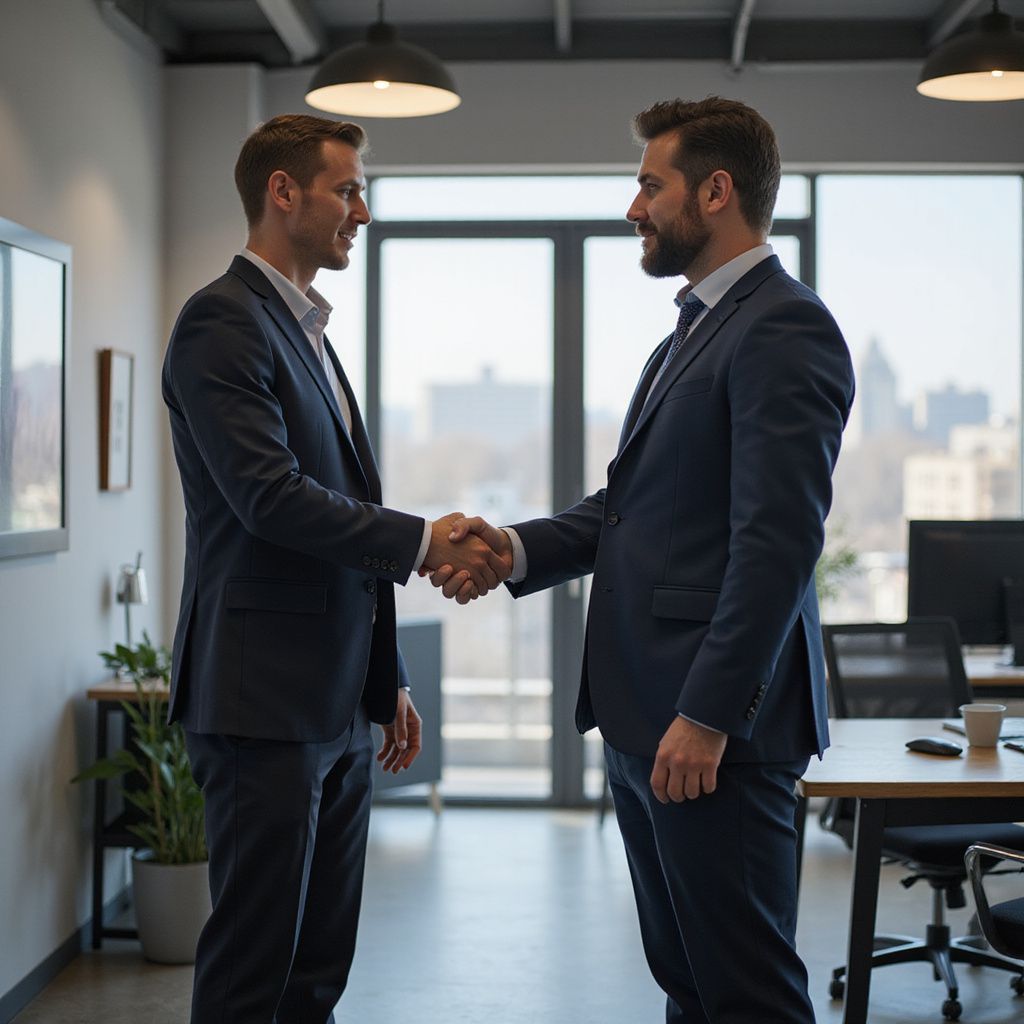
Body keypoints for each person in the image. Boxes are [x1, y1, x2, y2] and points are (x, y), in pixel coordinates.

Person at [432, 97, 854, 1022]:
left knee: (746, 992)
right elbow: (629, 512)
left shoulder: (785, 327)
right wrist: (513, 549)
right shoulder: (690, 333)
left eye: (647, 185)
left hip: (710, 736)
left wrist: (707, 715)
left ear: (714, 190)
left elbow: (777, 545)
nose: (633, 208)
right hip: (645, 723)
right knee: (688, 984)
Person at [162, 114, 510, 1024]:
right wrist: (426, 540)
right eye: (348, 190)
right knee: (254, 973)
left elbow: (335, 528)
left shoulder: (305, 330)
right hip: (261, 706)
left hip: (333, 706)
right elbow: (270, 499)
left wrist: (379, 680)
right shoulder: (221, 322)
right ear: (285, 192)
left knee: (318, 971)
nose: (362, 210)